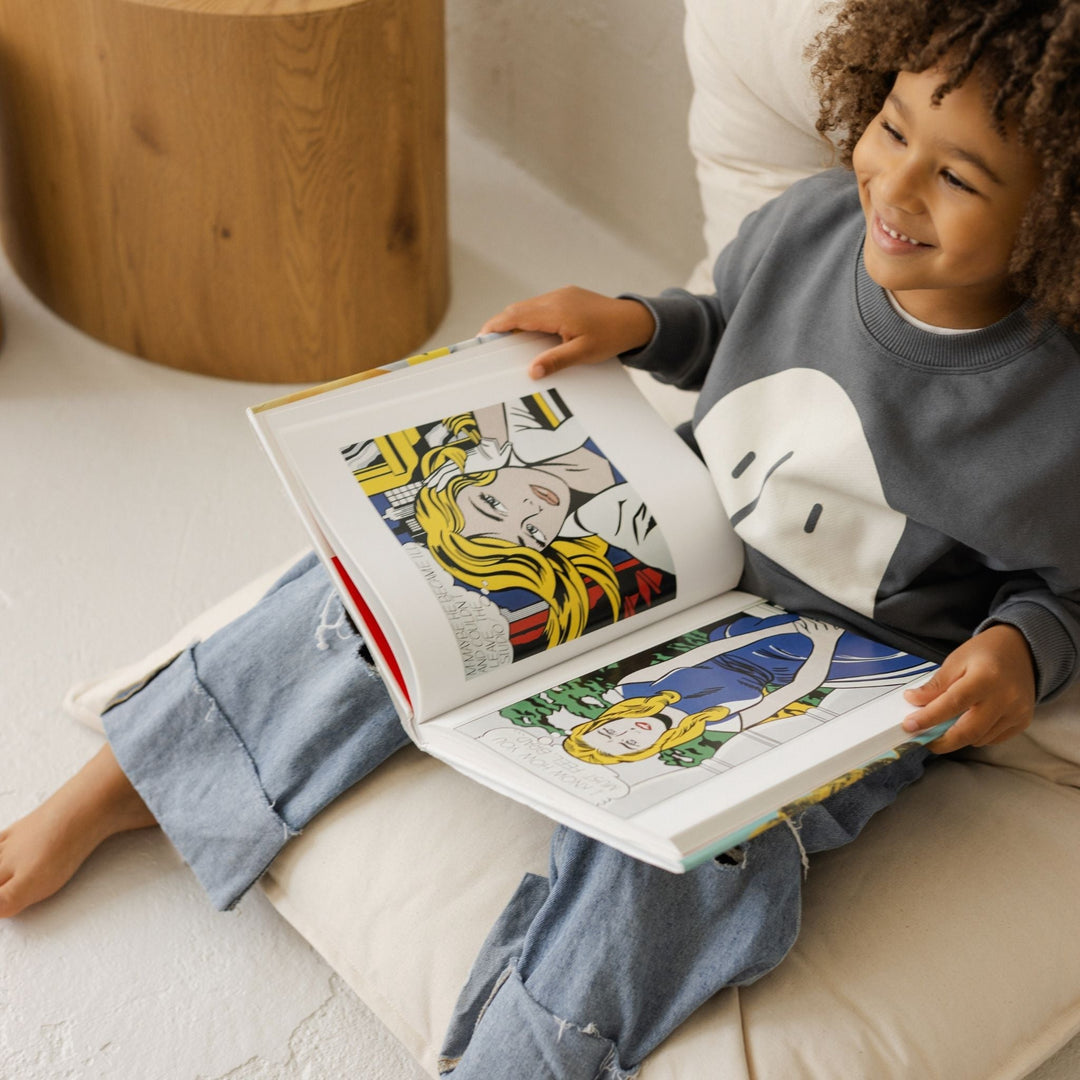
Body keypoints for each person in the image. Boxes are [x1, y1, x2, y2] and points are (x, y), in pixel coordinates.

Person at [2, 2, 1079, 1077]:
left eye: (960, 179)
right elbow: (721, 327)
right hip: (668, 546)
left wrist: (1020, 653)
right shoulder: (809, 227)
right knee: (397, 596)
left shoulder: (1055, 411)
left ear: (1054, 214)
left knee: (676, 867)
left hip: (822, 679)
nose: (894, 188)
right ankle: (137, 779)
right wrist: (638, 324)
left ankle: (520, 1058)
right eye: (890, 130)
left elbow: (1065, 590)